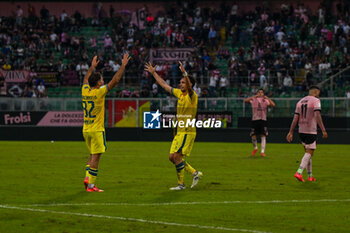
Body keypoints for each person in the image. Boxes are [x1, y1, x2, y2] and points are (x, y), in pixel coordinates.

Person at [144, 61, 202, 190]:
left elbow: (191, 89)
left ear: (189, 84)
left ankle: (181, 184)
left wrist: (184, 72)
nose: (180, 84)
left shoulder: (193, 97)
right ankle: (194, 173)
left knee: (177, 156)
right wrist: (154, 73)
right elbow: (164, 85)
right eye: (180, 82)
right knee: (172, 157)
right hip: (179, 131)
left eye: (183, 82)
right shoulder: (179, 94)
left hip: (188, 131)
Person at [82, 54, 130, 192]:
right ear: (97, 83)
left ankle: (87, 177)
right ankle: (91, 185)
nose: (103, 81)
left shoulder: (84, 90)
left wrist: (92, 67)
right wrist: (123, 65)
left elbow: (86, 78)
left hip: (86, 129)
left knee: (91, 155)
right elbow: (116, 79)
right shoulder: (99, 92)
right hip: (97, 130)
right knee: (96, 158)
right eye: (101, 79)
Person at [287, 86, 328, 182]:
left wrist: (291, 132)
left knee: (308, 153)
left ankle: (310, 176)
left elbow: (295, 119)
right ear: (315, 91)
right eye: (318, 92)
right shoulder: (316, 101)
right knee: (310, 152)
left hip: (301, 131)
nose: (319, 94)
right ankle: (299, 172)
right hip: (311, 130)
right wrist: (323, 130)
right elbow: (317, 115)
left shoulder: (300, 102)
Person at [244, 88, 276, 156]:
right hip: (255, 119)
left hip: (263, 120)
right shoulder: (253, 99)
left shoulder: (265, 100)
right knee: (253, 136)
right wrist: (254, 96)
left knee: (263, 135)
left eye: (261, 92)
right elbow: (245, 101)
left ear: (263, 93)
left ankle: (262, 152)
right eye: (259, 92)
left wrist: (267, 98)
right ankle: (255, 148)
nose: (260, 93)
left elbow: (273, 105)